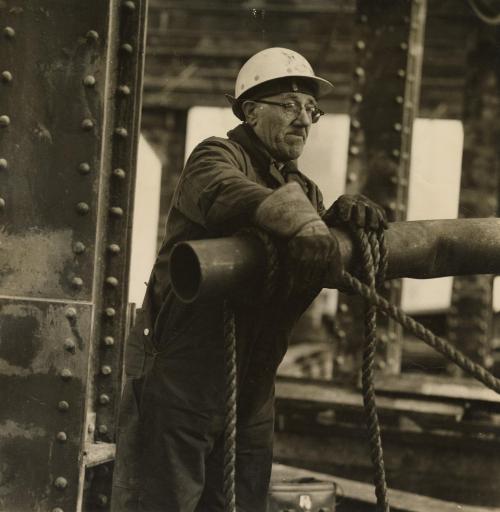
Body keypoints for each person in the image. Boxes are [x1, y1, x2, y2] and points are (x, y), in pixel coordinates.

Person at [111, 47, 387, 512]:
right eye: (290, 106)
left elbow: (313, 252)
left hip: (254, 395)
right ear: (251, 111)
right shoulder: (216, 156)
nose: (304, 119)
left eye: (311, 109)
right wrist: (302, 221)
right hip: (183, 386)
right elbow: (227, 192)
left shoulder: (304, 190)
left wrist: (339, 224)